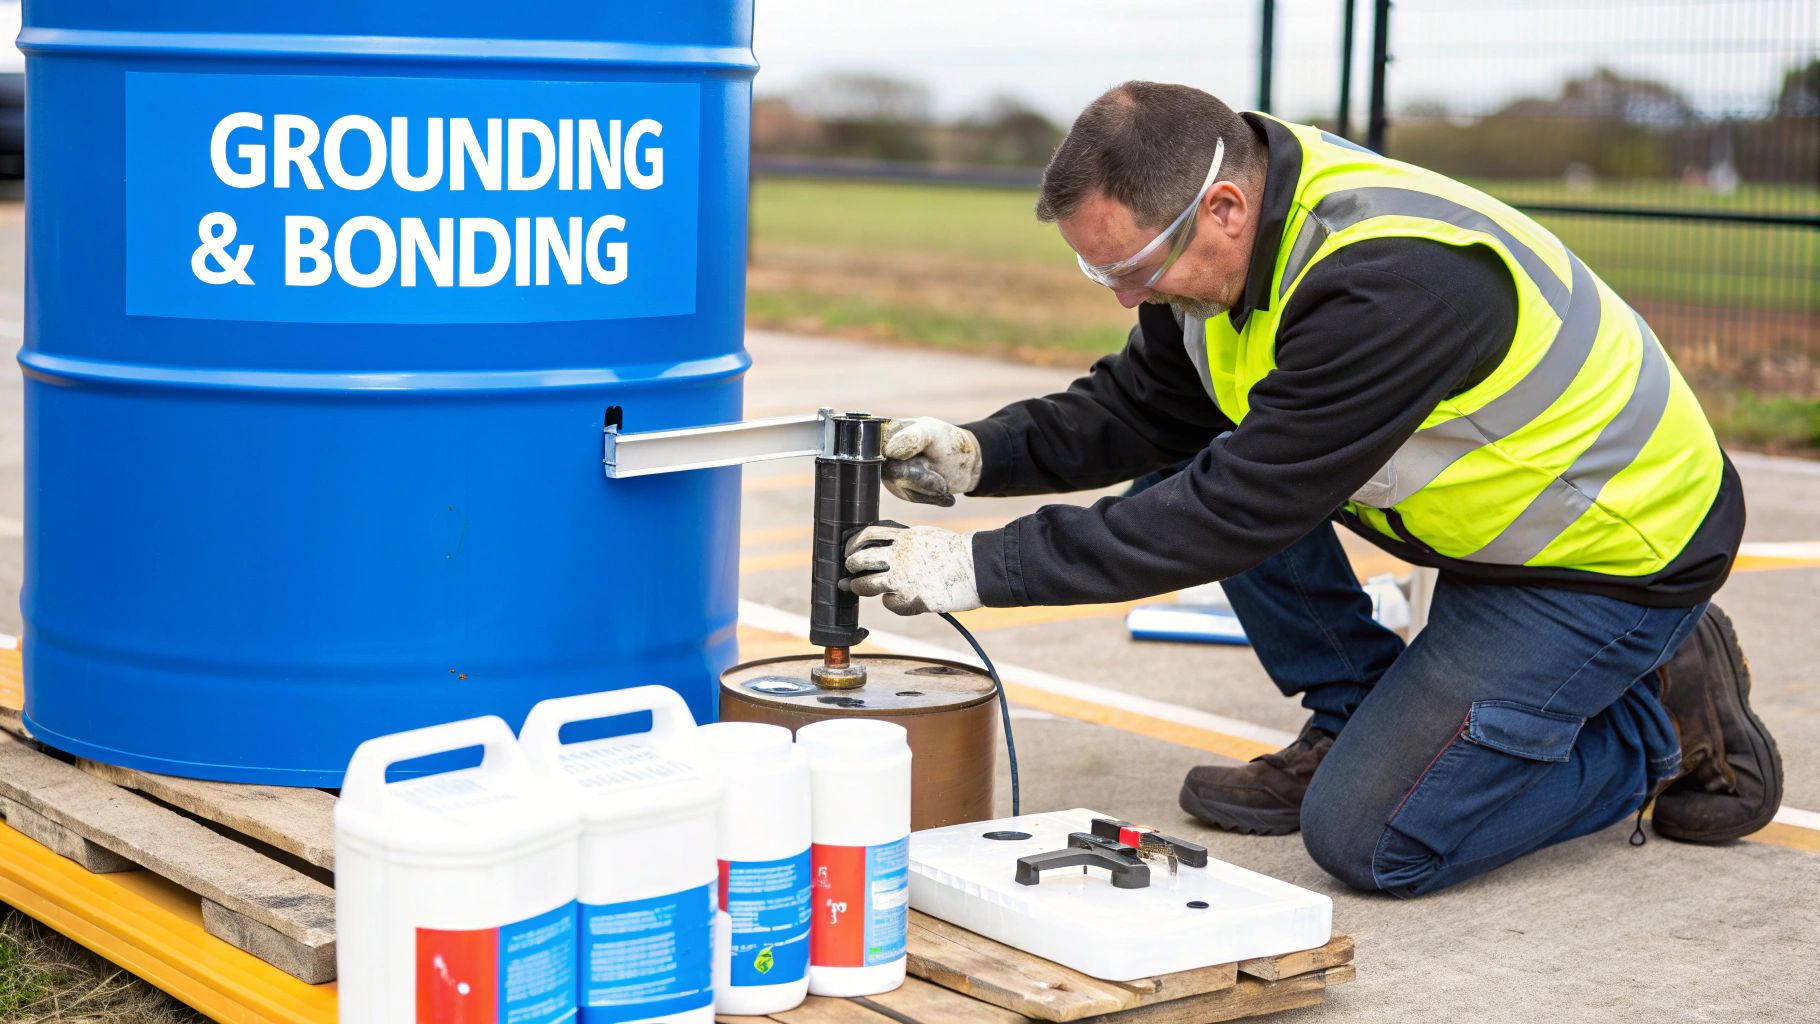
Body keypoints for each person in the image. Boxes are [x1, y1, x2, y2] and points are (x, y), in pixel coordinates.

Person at [840, 82, 1782, 896]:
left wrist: (981, 566)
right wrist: (981, 453)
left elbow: (1236, 510)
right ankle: (1358, 712)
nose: (1125, 298)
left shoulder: (1393, 284)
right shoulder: (1222, 247)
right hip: (1490, 535)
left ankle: (1648, 722)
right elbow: (1149, 411)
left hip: (1607, 557)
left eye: (1129, 269)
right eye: (1098, 270)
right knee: (1194, 462)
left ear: (1221, 208)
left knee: (1372, 841)